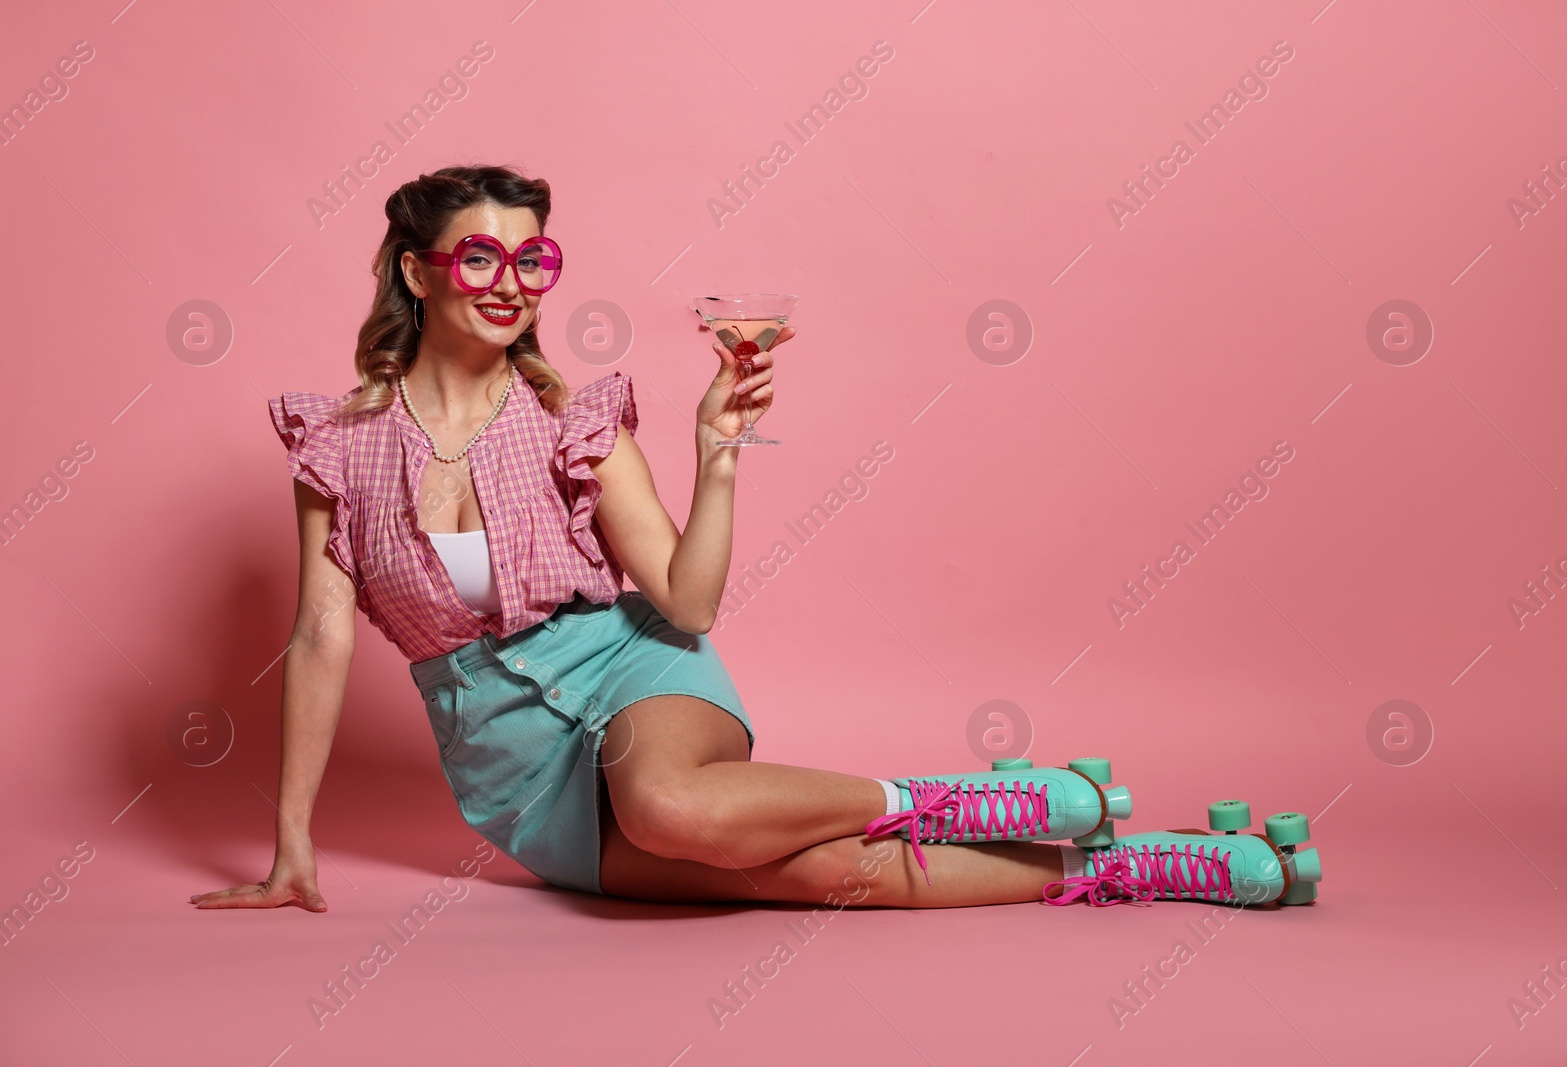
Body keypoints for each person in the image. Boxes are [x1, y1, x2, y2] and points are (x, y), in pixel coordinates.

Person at [191, 164, 1308, 914]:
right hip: (510, 768)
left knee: (675, 805)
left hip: (632, 670)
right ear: (414, 268)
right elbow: (319, 639)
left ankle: (948, 792)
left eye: (534, 260)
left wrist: (714, 450)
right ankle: (1137, 868)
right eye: (479, 257)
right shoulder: (339, 449)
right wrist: (292, 846)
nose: (511, 284)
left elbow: (683, 601)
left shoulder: (571, 422)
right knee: (826, 877)